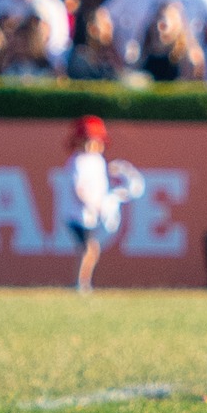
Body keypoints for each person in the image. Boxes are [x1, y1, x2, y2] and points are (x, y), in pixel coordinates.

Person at [63, 116, 144, 294]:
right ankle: (81, 283)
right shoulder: (77, 161)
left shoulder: (98, 161)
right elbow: (79, 189)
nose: (91, 146)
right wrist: (93, 206)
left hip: (93, 216)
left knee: (92, 249)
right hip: (79, 215)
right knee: (88, 248)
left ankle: (83, 282)